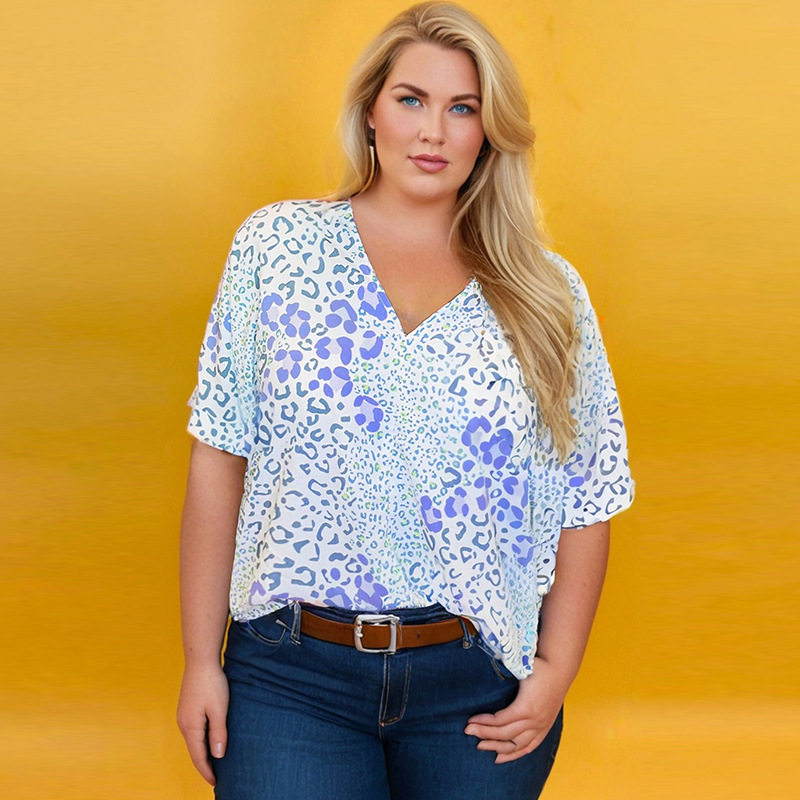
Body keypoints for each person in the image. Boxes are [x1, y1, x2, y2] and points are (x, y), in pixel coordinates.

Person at [176, 3, 634, 799]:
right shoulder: (277, 248)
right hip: (291, 677)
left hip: (476, 689)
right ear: (371, 112)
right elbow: (219, 453)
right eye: (411, 99)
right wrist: (198, 661)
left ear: (489, 131)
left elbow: (588, 495)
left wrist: (556, 671)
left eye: (463, 108)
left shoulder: (547, 293)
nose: (433, 132)